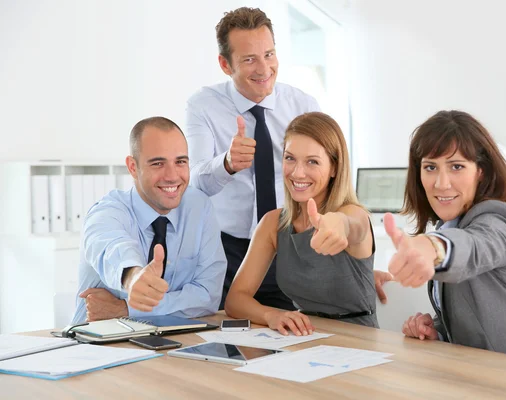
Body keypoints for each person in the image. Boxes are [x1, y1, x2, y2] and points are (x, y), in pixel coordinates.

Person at [383, 110, 506, 365]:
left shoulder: (499, 217)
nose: (441, 183)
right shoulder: (447, 226)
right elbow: (478, 313)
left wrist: (432, 248)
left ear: (481, 171)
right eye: (430, 167)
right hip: (482, 376)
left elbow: (473, 247)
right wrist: (437, 329)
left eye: (457, 166)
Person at [185, 7, 321, 310]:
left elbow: (327, 175)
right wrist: (227, 163)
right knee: (223, 337)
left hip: (290, 244)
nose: (264, 68)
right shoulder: (203, 105)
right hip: (227, 250)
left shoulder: (303, 105)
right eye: (249, 59)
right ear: (225, 64)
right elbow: (193, 180)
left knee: (291, 335)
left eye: (269, 55)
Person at [225, 112, 378, 335]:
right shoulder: (273, 223)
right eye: (290, 158)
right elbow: (235, 299)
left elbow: (353, 223)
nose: (297, 172)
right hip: (303, 340)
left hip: (359, 343)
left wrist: (339, 224)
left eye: (312, 162)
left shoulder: (352, 213)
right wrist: (272, 315)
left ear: (334, 168)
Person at [72, 117, 227, 324]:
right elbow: (112, 247)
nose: (172, 176)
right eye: (158, 163)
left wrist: (126, 308)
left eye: (180, 162)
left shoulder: (199, 207)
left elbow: (208, 296)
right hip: (100, 348)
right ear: (133, 167)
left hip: (171, 345)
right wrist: (132, 277)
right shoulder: (107, 212)